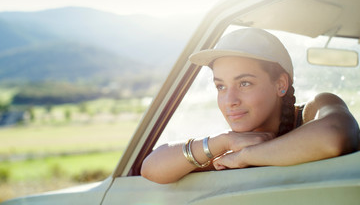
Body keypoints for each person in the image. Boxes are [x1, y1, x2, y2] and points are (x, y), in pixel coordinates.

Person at [141, 28, 359, 184]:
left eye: (244, 83)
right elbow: (151, 168)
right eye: (221, 86)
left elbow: (333, 137)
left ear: (281, 84)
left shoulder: (314, 110)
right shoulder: (227, 145)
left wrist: (245, 156)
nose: (229, 100)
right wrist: (223, 141)